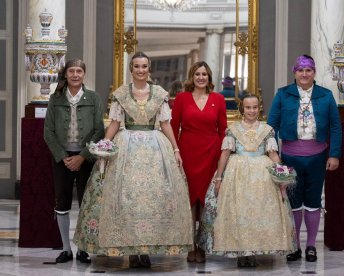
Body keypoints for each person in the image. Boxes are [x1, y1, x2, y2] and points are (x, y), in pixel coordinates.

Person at [73, 52, 193, 268]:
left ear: (149, 69)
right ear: (131, 69)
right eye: (137, 66)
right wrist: (104, 146)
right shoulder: (121, 94)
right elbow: (114, 124)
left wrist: (175, 148)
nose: (140, 70)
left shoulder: (159, 94)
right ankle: (130, 249)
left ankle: (146, 249)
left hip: (156, 148)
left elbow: (165, 124)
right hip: (126, 148)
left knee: (152, 200)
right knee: (125, 199)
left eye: (144, 66)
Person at [198, 94, 296, 267]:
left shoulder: (267, 130)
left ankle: (254, 251)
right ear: (242, 109)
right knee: (239, 212)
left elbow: (273, 154)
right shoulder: (233, 130)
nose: (252, 111)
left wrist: (282, 175)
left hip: (262, 176)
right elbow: (225, 154)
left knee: (258, 213)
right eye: (248, 107)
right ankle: (241, 252)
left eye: (255, 107)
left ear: (259, 108)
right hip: (237, 174)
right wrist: (219, 177)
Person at [267, 54, 342, 262]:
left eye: (308, 70)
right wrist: (273, 156)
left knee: (313, 201)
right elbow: (271, 126)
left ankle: (310, 246)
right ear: (294, 72)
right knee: (293, 202)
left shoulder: (326, 95)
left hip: (317, 157)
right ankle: (294, 246)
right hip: (290, 156)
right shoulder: (283, 94)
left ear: (314, 72)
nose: (304, 74)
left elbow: (335, 127)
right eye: (300, 70)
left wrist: (334, 154)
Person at [44, 59, 105, 264]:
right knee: (62, 202)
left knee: (86, 203)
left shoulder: (93, 98)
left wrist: (82, 156)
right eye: (72, 71)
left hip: (86, 158)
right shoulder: (56, 98)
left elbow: (99, 130)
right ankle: (66, 248)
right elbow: (48, 132)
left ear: (84, 74)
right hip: (62, 159)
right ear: (66, 74)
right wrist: (63, 157)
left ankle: (83, 249)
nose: (76, 74)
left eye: (79, 71)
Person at [171, 61, 227, 263]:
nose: (201, 77)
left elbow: (223, 130)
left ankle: (202, 245)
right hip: (187, 152)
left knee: (206, 199)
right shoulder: (181, 98)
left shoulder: (218, 99)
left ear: (209, 77)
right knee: (189, 199)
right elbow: (173, 126)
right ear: (191, 77)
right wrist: (175, 153)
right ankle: (190, 245)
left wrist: (220, 156)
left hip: (210, 153)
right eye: (197, 74)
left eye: (204, 74)